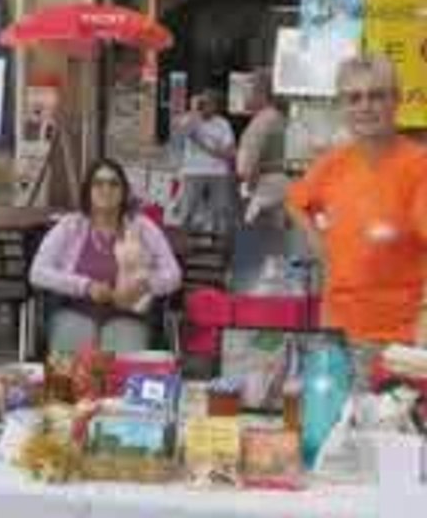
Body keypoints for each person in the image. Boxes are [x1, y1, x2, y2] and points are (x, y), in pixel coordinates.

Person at [287, 55, 427, 345]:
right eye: (354, 98)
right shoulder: (331, 165)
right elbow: (296, 202)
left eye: (377, 96)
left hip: (401, 338)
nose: (365, 106)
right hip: (338, 331)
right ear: (342, 107)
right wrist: (322, 247)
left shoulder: (419, 166)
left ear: (396, 100)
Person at [29, 158, 182, 353]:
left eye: (114, 184)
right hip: (75, 312)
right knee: (71, 362)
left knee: (124, 362)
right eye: (98, 183)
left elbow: (173, 274)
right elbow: (38, 272)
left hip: (127, 316)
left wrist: (144, 286)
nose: (106, 189)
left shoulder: (143, 227)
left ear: (124, 191)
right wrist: (86, 286)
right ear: (88, 191)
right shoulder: (70, 226)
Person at [174, 89, 237, 235]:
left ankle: (218, 238)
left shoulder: (223, 124)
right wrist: (194, 111)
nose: (206, 106)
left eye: (210, 103)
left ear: (216, 106)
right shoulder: (190, 119)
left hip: (218, 173)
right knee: (188, 208)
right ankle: (185, 237)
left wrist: (204, 145)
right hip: (193, 171)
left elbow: (230, 151)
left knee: (220, 209)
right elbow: (180, 135)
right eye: (204, 103)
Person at [236, 70, 287, 226]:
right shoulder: (275, 117)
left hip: (263, 189)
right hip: (272, 186)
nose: (244, 95)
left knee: (258, 234)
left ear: (260, 93)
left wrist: (248, 191)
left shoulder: (264, 120)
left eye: (247, 90)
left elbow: (253, 160)